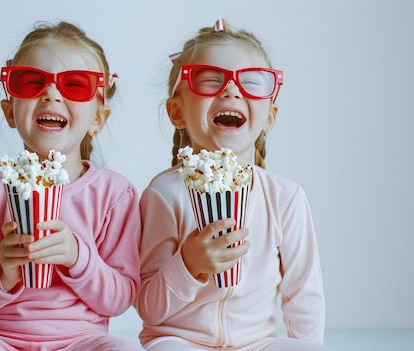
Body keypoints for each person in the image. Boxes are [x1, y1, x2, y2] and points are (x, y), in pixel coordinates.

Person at [0, 21, 144, 351]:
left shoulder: (113, 195)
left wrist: (78, 257)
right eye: (31, 83)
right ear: (10, 112)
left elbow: (120, 298)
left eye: (75, 85)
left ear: (98, 119)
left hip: (82, 340)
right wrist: (1, 271)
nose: (52, 94)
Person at [134, 19, 330, 351]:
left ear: (270, 115)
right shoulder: (164, 195)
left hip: (257, 344)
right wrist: (188, 265)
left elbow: (303, 294)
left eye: (252, 82)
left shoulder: (285, 198)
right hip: (179, 341)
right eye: (209, 81)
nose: (231, 89)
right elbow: (148, 308)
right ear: (176, 112)